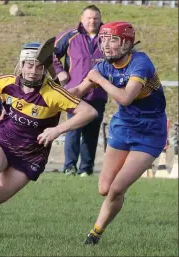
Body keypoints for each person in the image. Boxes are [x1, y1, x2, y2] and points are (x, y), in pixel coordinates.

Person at [0, 42, 98, 232]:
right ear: (21, 65)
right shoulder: (8, 82)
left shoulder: (53, 93)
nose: (33, 71)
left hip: (31, 156)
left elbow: (89, 112)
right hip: (4, 141)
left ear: (45, 69)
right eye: (29, 65)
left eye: (39, 66)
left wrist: (57, 130)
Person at [69, 21, 167, 245]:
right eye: (103, 40)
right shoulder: (103, 66)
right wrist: (54, 93)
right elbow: (78, 91)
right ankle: (116, 199)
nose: (105, 45)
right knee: (105, 189)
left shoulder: (140, 63)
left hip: (150, 132)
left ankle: (95, 234)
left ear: (127, 43)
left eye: (112, 40)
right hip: (123, 126)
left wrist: (100, 79)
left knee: (117, 187)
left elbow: (125, 97)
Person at [53, 5, 108, 177]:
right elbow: (50, 54)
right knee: (73, 130)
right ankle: (69, 167)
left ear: (100, 19)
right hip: (74, 94)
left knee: (91, 134)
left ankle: (86, 169)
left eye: (95, 18)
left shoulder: (108, 37)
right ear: (82, 19)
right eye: (89, 18)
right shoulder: (70, 36)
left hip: (98, 93)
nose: (92, 21)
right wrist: (59, 71)